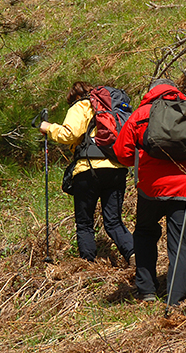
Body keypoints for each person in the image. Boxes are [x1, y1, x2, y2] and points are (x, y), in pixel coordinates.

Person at [113, 78, 186, 305]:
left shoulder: (140, 115)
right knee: (179, 242)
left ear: (151, 92)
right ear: (176, 91)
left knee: (144, 234)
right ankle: (175, 298)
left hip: (151, 187)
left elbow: (121, 154)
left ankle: (147, 290)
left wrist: (141, 157)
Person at [39, 81, 135, 264]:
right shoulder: (111, 108)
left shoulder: (81, 105)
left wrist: (48, 128)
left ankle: (87, 264)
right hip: (117, 168)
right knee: (114, 221)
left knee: (84, 223)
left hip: (88, 169)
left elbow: (69, 134)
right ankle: (134, 255)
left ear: (74, 96)